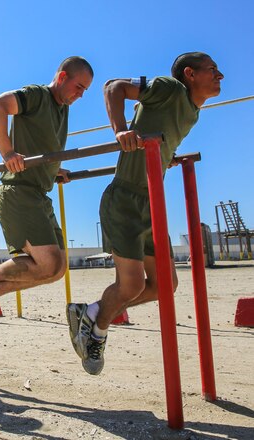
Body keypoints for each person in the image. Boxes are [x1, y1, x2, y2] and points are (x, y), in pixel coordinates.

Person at [67, 52, 224, 375]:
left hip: (150, 200)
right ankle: (95, 326)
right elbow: (113, 87)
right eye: (213, 70)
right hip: (124, 198)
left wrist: (167, 154)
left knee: (163, 285)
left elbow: (156, 127)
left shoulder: (191, 113)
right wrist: (121, 130)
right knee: (132, 284)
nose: (220, 75)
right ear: (191, 74)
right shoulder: (170, 88)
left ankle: (93, 317)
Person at [0, 56, 94, 336]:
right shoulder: (37, 95)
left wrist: (54, 168)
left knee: (56, 268)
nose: (81, 94)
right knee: (46, 262)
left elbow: (40, 142)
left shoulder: (62, 110)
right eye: (79, 86)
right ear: (62, 77)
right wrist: (7, 153)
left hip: (39, 193)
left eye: (85, 90)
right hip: (19, 191)